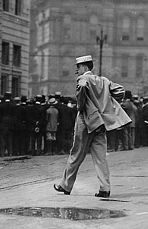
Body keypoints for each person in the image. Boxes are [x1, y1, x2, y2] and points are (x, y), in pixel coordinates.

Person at [54, 55, 130, 198]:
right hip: (101, 122)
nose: (77, 71)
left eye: (78, 68)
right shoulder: (103, 80)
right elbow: (120, 90)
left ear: (84, 67)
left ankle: (65, 185)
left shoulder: (83, 79)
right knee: (100, 157)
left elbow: (82, 86)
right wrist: (106, 105)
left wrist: (82, 105)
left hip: (86, 120)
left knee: (76, 154)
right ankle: (105, 188)